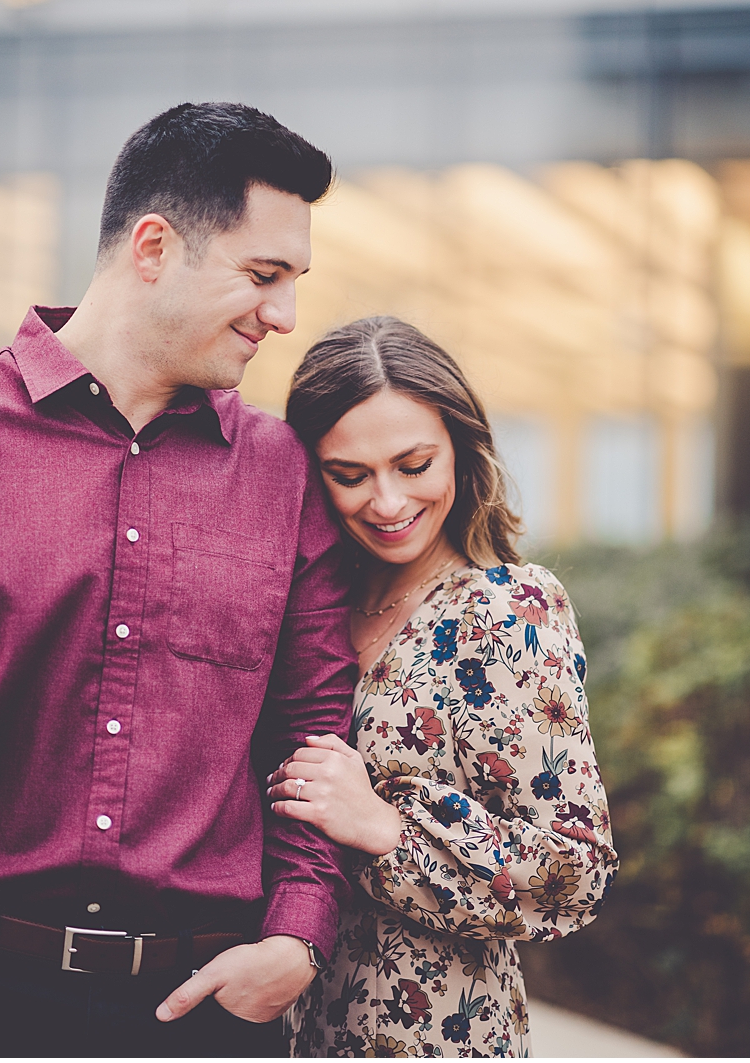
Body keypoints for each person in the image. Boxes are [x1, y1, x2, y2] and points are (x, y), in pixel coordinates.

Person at [0, 102, 359, 1057]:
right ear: (152, 246)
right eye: (263, 276)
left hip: (207, 1010)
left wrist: (297, 937)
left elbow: (314, 722)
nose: (286, 315)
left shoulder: (280, 470)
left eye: (294, 282)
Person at [274, 316, 617, 1057]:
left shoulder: (507, 608)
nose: (388, 502)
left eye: (414, 463)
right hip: (286, 1019)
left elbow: (574, 871)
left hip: (435, 1032)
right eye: (350, 474)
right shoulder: (312, 601)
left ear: (461, 448)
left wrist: (386, 827)